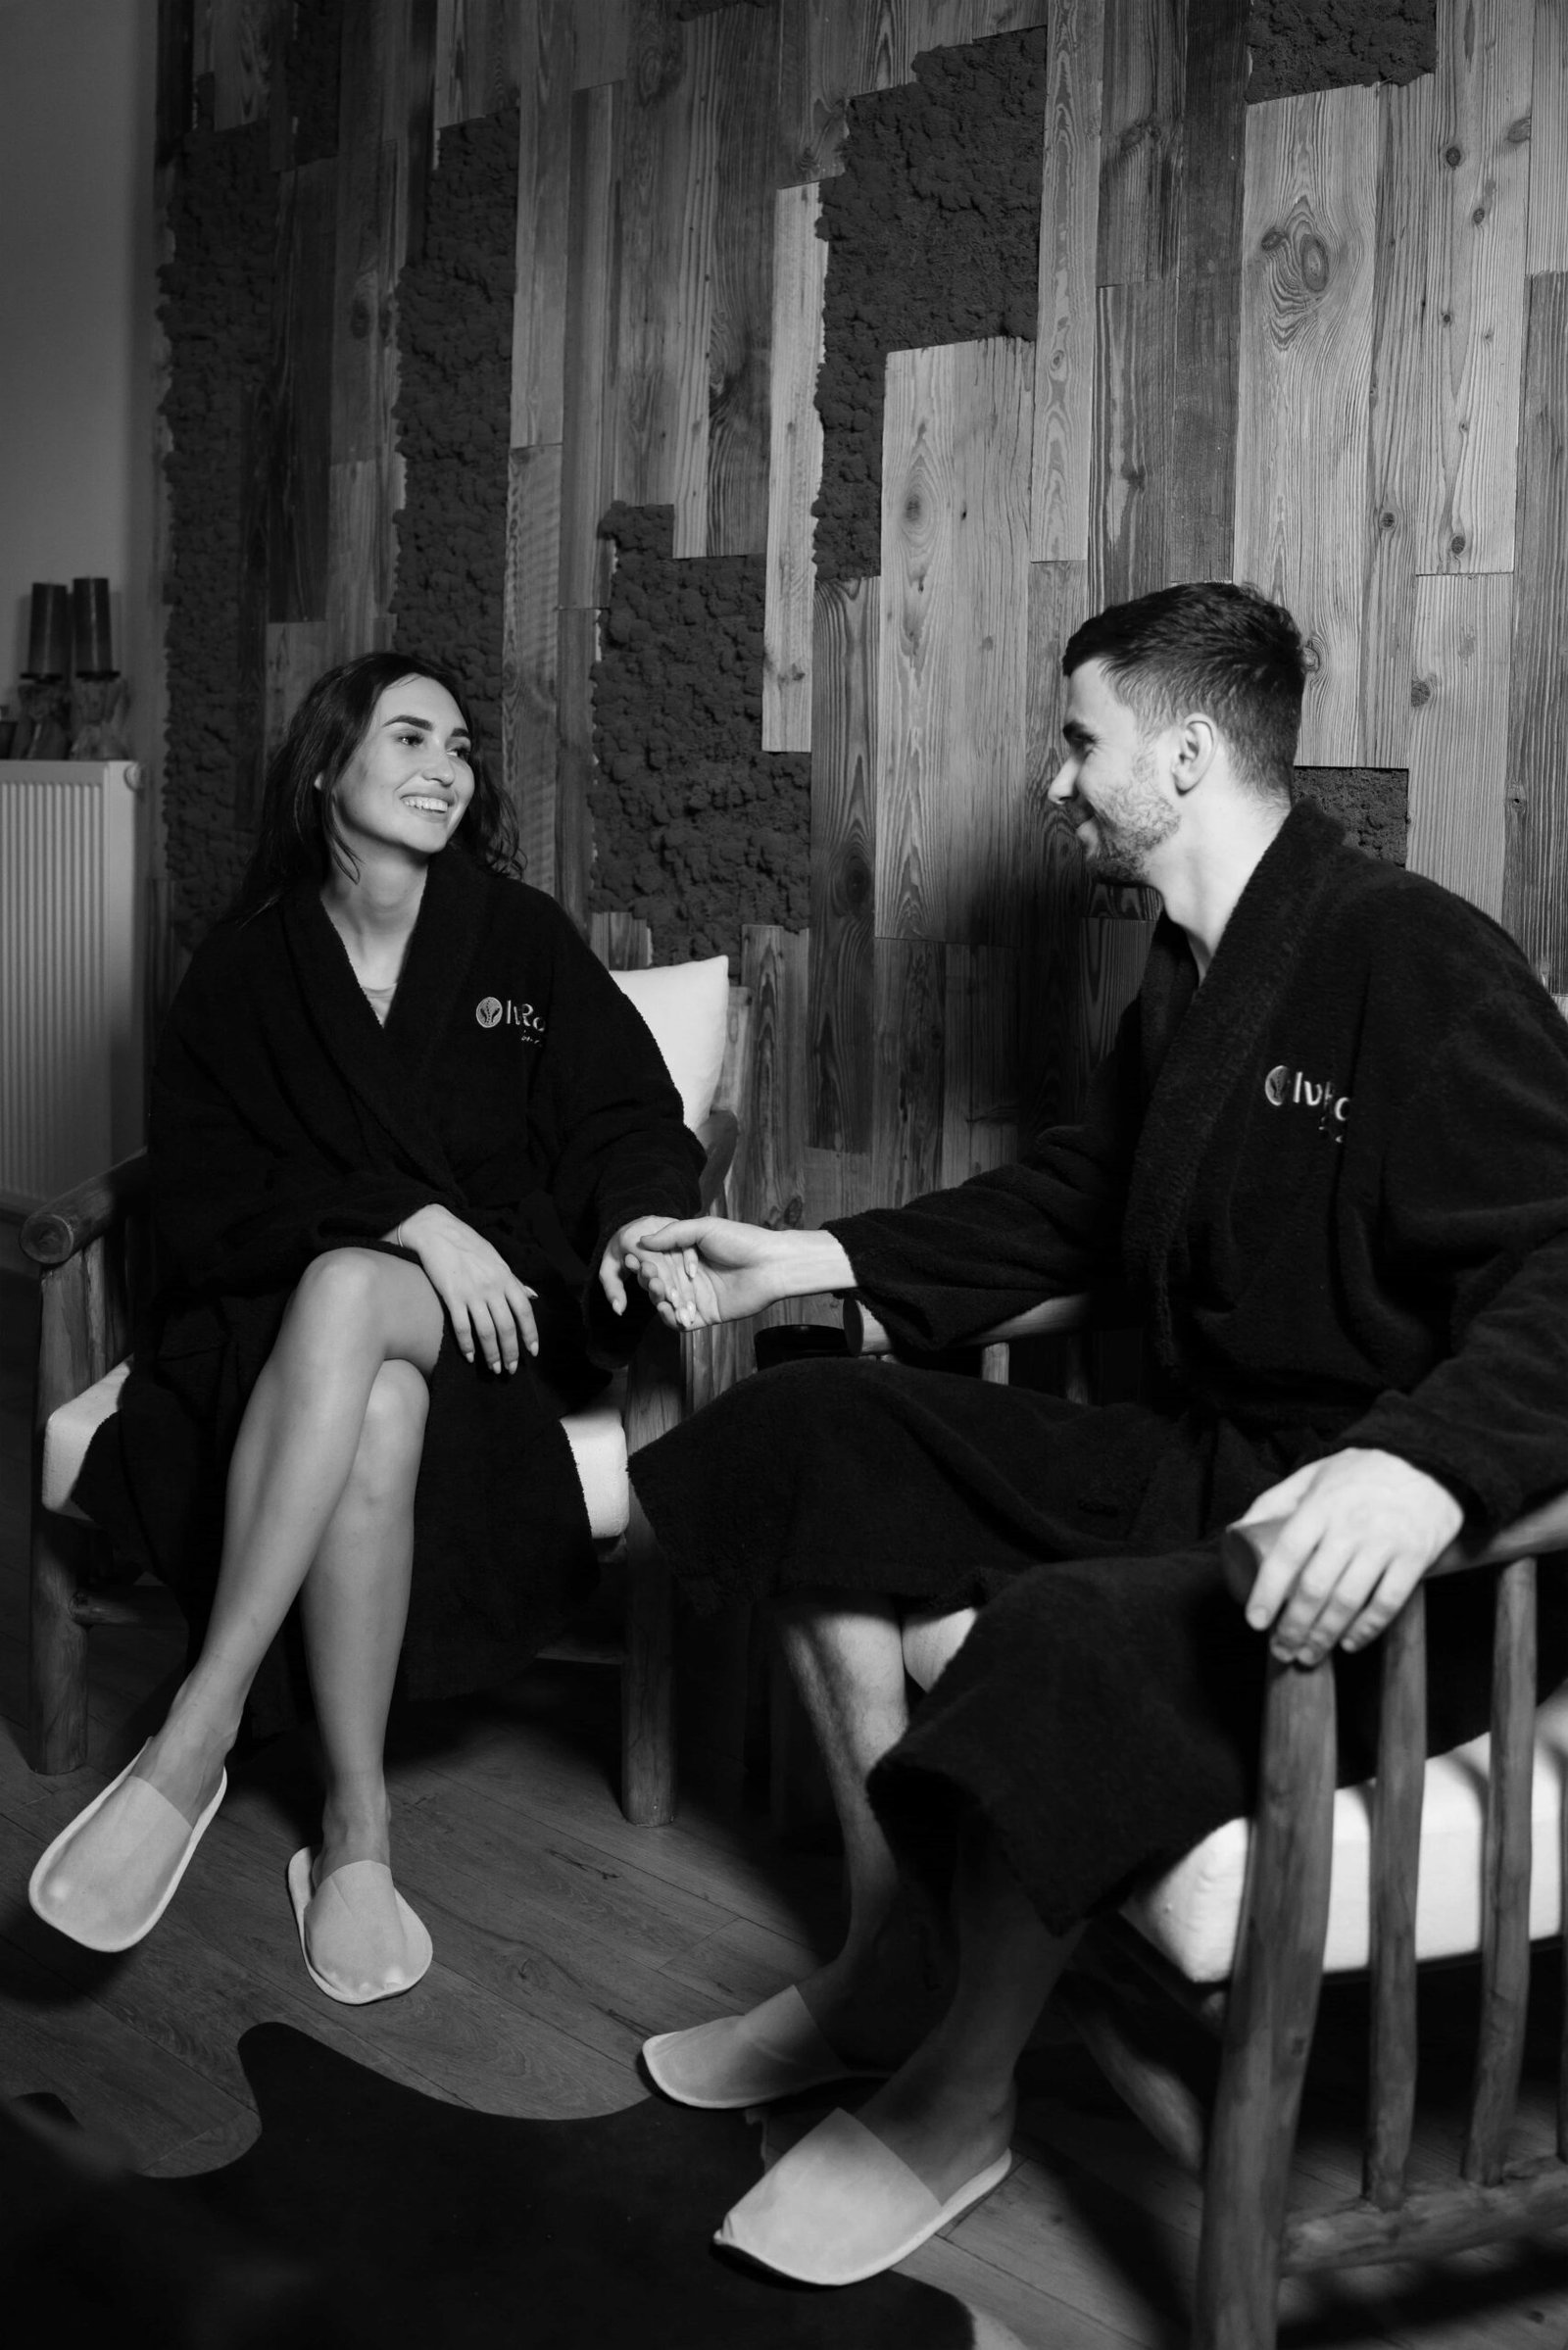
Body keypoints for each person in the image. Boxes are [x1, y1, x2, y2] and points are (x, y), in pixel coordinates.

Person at [621, 581, 1568, 2284]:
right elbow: (1084, 1198)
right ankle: (896, 1957)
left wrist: (1429, 1465)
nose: (1057, 782)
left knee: (1055, 1633)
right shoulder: (1191, 977)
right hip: (1201, 1458)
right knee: (810, 1428)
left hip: (1371, 1549)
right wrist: (817, 1258)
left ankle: (962, 2093)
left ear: (1186, 754)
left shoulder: (1409, 955)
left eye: (1081, 741)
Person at [29, 651, 704, 2002]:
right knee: (371, 1375)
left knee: (355, 1293)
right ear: (327, 765)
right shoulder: (245, 967)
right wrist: (403, 1215)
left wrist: (635, 1220)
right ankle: (355, 1826)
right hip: (282, 1331)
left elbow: (628, 1112)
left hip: (498, 1319)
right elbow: (205, 1191)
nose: (446, 766)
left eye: (459, 747)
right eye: (409, 736)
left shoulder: (519, 939)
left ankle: (198, 1729)